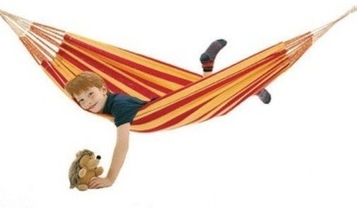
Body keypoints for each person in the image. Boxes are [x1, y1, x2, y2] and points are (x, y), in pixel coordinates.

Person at [64, 39, 271, 189]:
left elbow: (122, 144)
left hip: (170, 108)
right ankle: (236, 81)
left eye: (90, 94)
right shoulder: (112, 103)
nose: (87, 102)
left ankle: (248, 86)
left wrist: (110, 178)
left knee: (218, 106)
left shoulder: (119, 107)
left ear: (103, 89)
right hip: (170, 105)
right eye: (81, 100)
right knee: (208, 95)